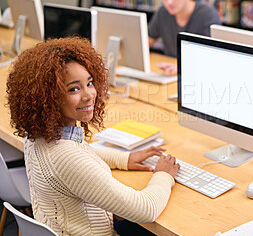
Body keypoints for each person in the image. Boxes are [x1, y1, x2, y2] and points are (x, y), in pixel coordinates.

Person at [6, 37, 180, 235]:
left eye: (89, 83)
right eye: (74, 89)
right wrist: (164, 175)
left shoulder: (36, 135)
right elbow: (145, 210)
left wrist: (125, 158)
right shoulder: (66, 157)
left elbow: (81, 153)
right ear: (48, 96)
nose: (89, 95)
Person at [148, 0, 222, 74]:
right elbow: (146, 42)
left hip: (198, 74)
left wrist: (182, 67)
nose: (169, 2)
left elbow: (214, 58)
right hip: (171, 74)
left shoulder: (207, 15)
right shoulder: (163, 12)